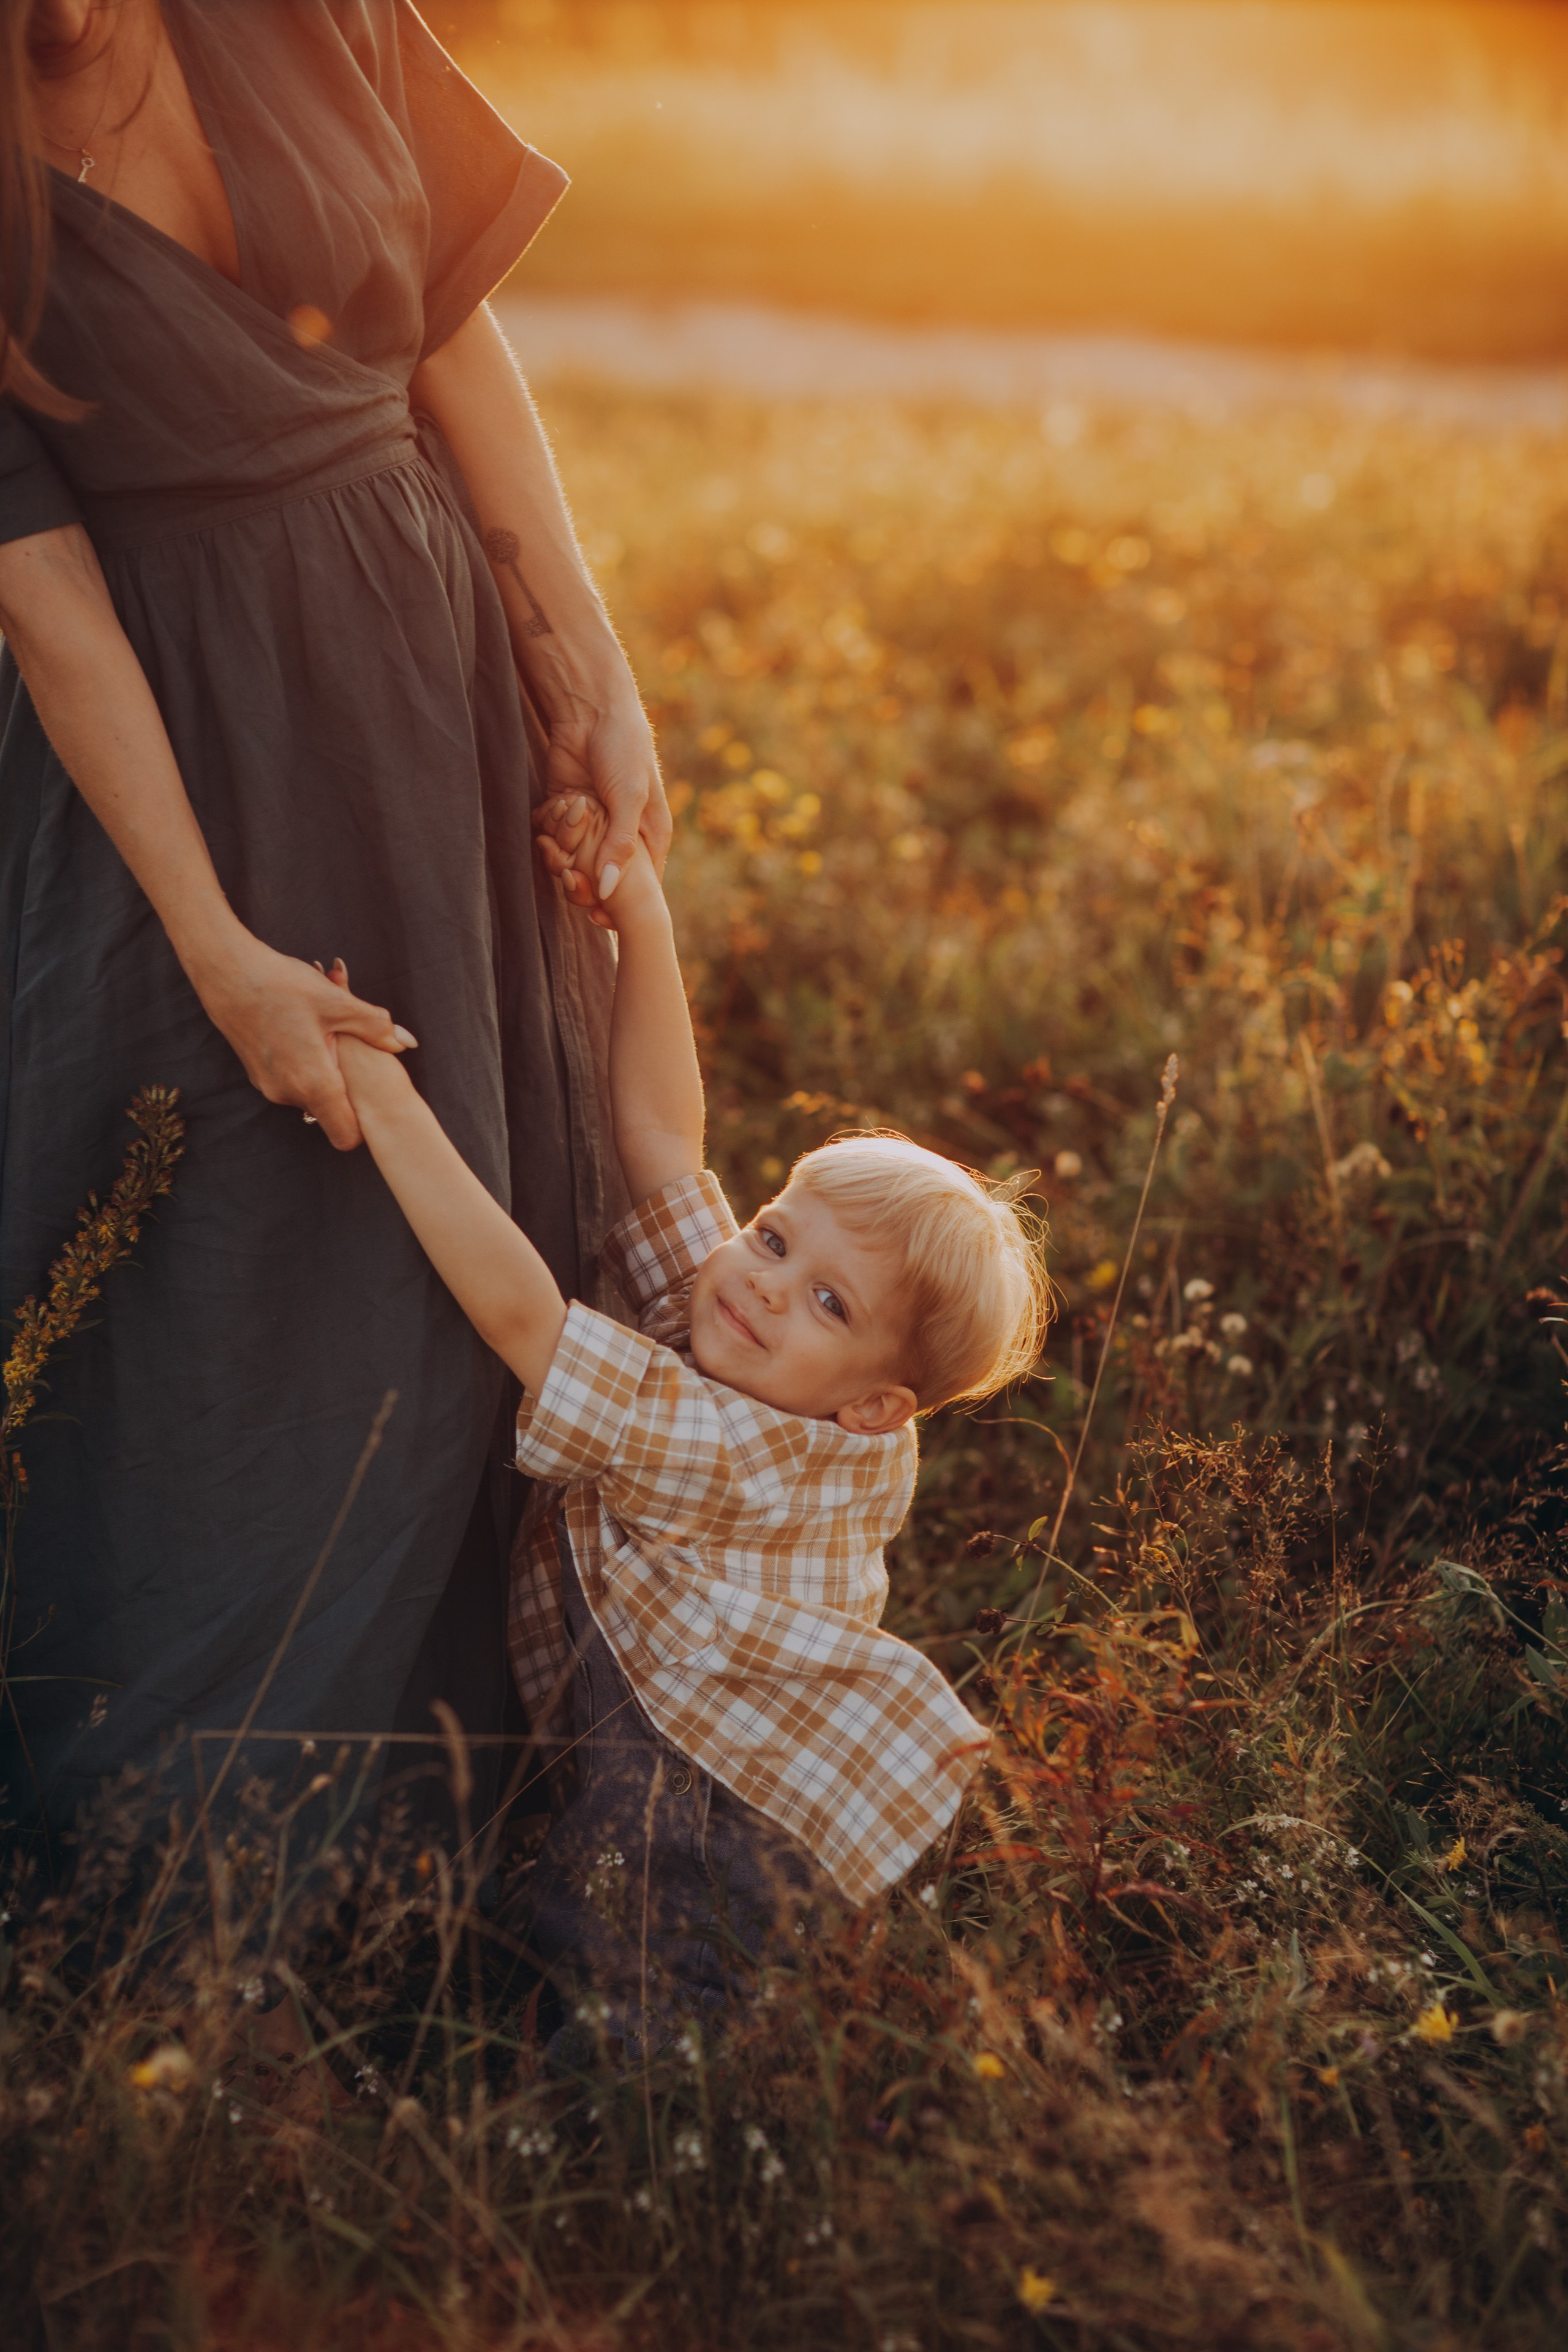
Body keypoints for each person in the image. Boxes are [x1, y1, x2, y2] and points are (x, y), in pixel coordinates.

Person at [0, 0, 662, 1847]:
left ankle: (456, 1833)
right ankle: (190, 1871)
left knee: (484, 1228)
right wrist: (217, 948)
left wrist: (580, 661)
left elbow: (447, 325)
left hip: (429, 707)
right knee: (231, 1285)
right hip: (181, 769)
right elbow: (44, 601)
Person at [331, 792, 1050, 2059]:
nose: (766, 1282)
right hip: (665, 1748)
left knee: (652, 2025)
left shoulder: (735, 1443)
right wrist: (644, 920)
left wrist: (382, 1097)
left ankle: (642, 2137)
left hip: (713, 1808)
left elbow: (522, 1316)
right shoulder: (756, 1337)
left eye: (829, 1300)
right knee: (570, 1925)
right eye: (774, 1236)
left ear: (873, 1406)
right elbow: (664, 1138)